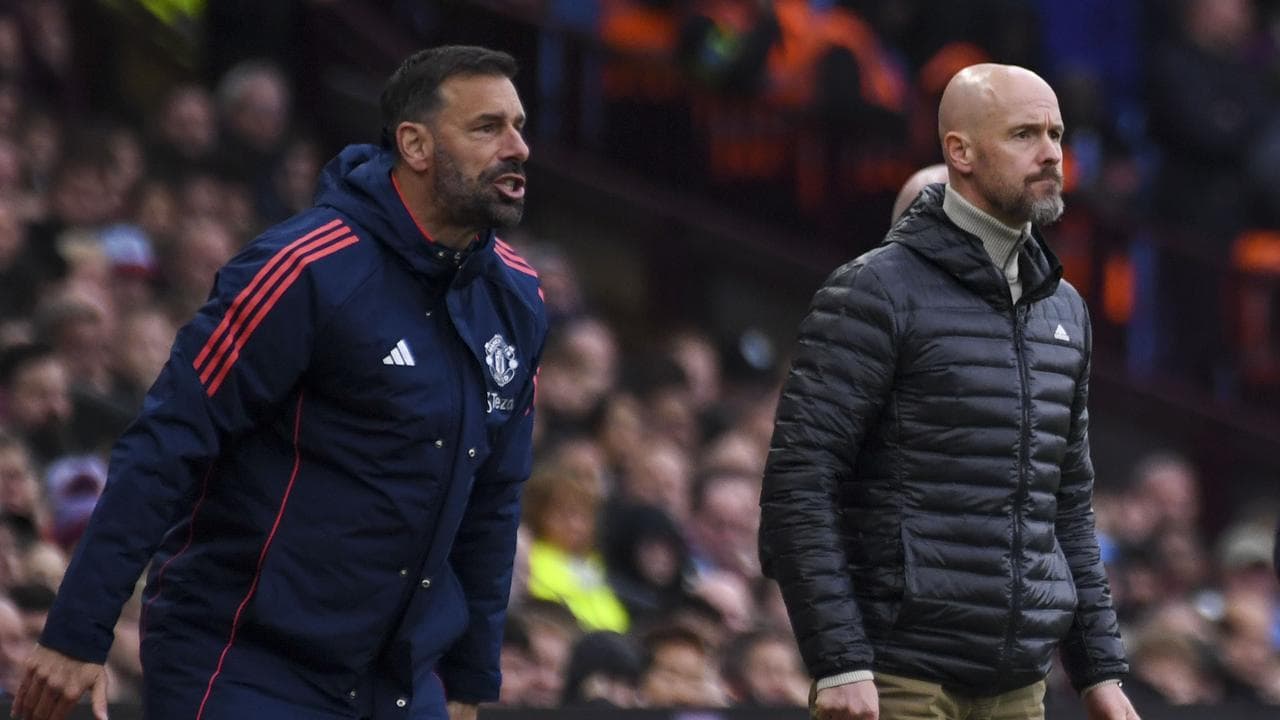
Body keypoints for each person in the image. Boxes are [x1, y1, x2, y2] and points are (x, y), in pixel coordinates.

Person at [14, 45, 547, 720]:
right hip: (246, 662)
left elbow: (492, 499)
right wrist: (78, 631)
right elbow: (169, 441)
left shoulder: (518, 299)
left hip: (398, 683)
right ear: (414, 143)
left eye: (519, 125)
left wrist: (470, 684)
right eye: (487, 127)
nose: (518, 147)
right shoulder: (303, 268)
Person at [759, 63, 1139, 720]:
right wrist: (840, 659)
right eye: (1025, 134)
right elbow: (799, 484)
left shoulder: (1065, 309)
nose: (1052, 152)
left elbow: (1068, 506)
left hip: (1020, 685)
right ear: (959, 151)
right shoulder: (874, 291)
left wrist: (1100, 670)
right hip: (895, 679)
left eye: (1056, 133)